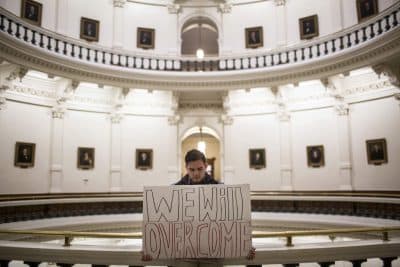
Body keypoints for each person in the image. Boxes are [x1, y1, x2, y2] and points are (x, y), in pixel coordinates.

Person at [142, 149, 256, 263]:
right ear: (186, 167)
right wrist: (150, 249)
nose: (196, 173)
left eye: (200, 169)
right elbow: (165, 225)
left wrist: (244, 247)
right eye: (192, 169)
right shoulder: (173, 190)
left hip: (212, 255)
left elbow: (230, 222)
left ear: (206, 166)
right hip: (183, 255)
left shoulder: (220, 189)